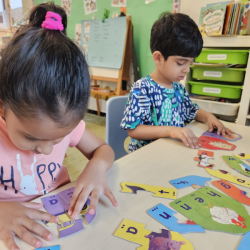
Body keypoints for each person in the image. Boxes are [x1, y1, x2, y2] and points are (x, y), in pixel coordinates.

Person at [0, 3, 117, 250]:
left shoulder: (61, 120)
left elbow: (104, 150)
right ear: (3, 107)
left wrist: (96, 167)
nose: (45, 150)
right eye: (31, 138)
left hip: (59, 216)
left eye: (57, 140)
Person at [121, 12, 233, 153]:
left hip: (172, 152)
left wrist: (209, 117)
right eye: (181, 63)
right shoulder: (142, 88)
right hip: (147, 156)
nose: (186, 70)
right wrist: (170, 130)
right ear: (158, 58)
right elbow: (134, 129)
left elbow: (192, 111)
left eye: (190, 63)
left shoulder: (178, 89)